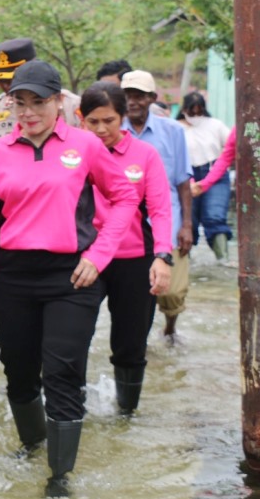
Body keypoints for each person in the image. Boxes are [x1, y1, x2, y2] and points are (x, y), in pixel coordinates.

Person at [0, 60, 138, 498]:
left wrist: (99, 255)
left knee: (63, 373)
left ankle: (59, 476)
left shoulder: (85, 145)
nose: (27, 112)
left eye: (38, 102)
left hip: (71, 278)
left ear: (59, 102)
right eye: (19, 103)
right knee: (20, 373)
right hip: (12, 278)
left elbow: (123, 198)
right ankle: (33, 444)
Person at [80, 82, 172, 415]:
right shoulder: (72, 154)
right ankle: (70, 409)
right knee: (73, 338)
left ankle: (126, 415)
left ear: (122, 117)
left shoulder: (144, 155)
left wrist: (162, 256)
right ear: (82, 119)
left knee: (131, 345)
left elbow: (161, 209)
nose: (102, 129)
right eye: (94, 122)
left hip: (134, 260)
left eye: (109, 120)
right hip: (84, 260)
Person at [0, 38, 81, 250]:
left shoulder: (69, 106)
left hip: (65, 219)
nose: (6, 86)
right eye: (1, 80)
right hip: (7, 219)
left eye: (11, 78)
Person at [120, 70, 193, 342]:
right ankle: (139, 339)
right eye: (127, 95)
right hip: (130, 228)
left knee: (172, 292)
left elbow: (183, 181)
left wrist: (187, 225)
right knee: (137, 293)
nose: (132, 102)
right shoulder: (114, 132)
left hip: (169, 221)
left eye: (139, 96)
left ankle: (170, 327)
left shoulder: (172, 131)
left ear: (152, 98)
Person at [176, 92, 232, 259]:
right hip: (185, 176)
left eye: (199, 112)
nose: (195, 116)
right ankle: (186, 263)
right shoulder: (176, 127)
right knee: (187, 221)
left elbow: (230, 150)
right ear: (184, 110)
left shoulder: (215, 125)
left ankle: (224, 261)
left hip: (215, 174)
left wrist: (207, 181)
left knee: (215, 216)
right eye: (191, 112)